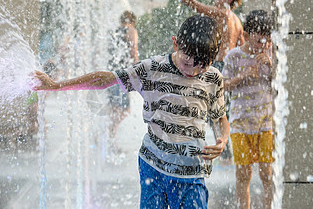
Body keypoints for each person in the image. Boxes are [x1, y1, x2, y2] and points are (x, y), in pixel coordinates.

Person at [33, 15, 230, 209]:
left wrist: (222, 140)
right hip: (154, 168)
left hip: (191, 172)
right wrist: (57, 85)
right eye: (187, 62)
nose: (193, 71)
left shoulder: (213, 78)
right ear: (175, 44)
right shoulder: (153, 69)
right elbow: (106, 79)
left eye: (202, 65)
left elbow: (220, 118)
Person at [156, 0, 244, 162]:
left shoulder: (222, 13)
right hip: (229, 67)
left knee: (210, 111)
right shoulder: (237, 20)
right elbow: (241, 46)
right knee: (224, 111)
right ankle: (227, 152)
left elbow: (193, 3)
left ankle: (222, 153)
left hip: (217, 65)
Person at [221, 10, 274, 209]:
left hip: (265, 124)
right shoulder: (234, 56)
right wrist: (243, 76)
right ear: (245, 35)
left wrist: (271, 66)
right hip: (240, 125)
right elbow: (223, 84)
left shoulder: (270, 55)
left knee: (267, 173)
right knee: (243, 174)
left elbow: (281, 86)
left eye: (267, 41)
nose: (263, 45)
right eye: (259, 40)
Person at [107, 11, 139, 146]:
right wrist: (138, 70)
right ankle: (109, 136)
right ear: (132, 21)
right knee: (124, 110)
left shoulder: (114, 31)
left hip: (111, 73)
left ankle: (109, 139)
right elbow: (133, 51)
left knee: (114, 108)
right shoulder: (131, 30)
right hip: (121, 75)